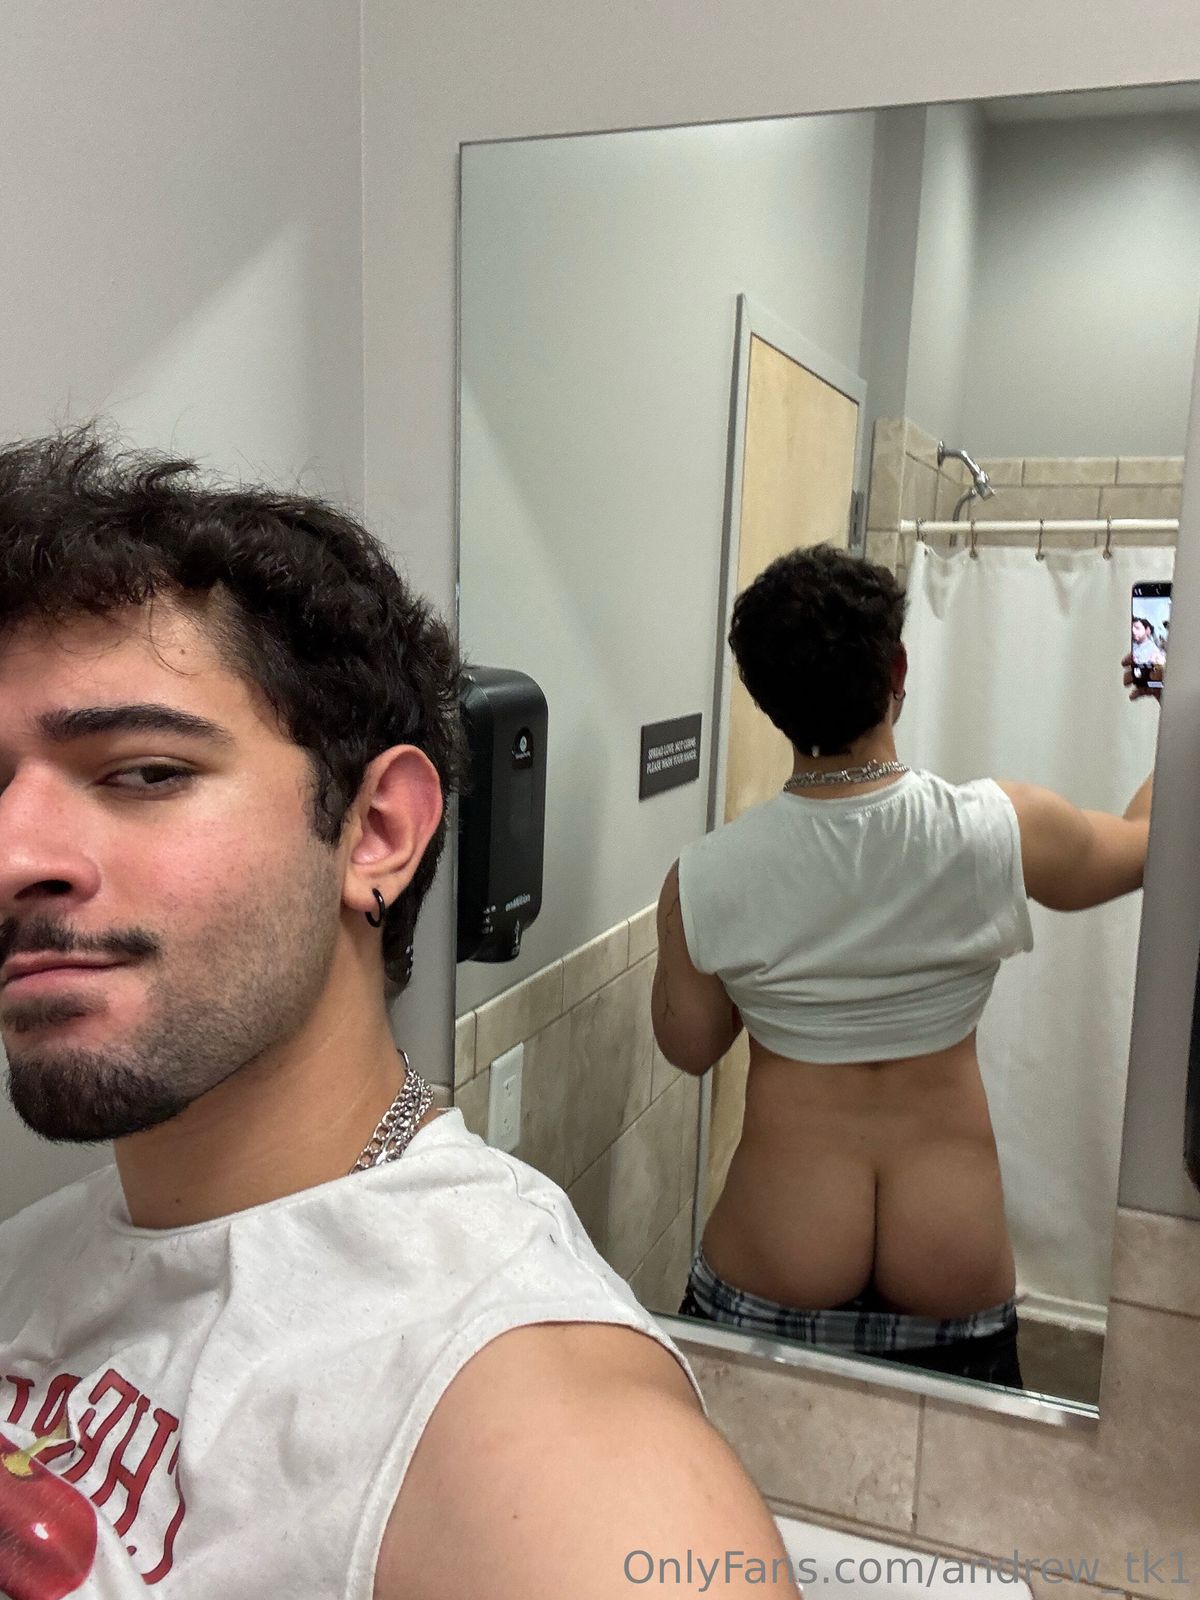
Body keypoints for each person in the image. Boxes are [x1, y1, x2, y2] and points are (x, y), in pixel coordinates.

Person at [0, 428, 797, 1600]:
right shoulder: (31, 1258)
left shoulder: (541, 1446)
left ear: (377, 833)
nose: (14, 855)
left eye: (145, 771)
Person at [652, 544, 1155, 1389]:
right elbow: (1146, 848)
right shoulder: (998, 831)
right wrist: (1179, 714)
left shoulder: (705, 879)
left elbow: (689, 1047)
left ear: (767, 697)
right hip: (953, 1269)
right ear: (898, 670)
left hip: (771, 1262)